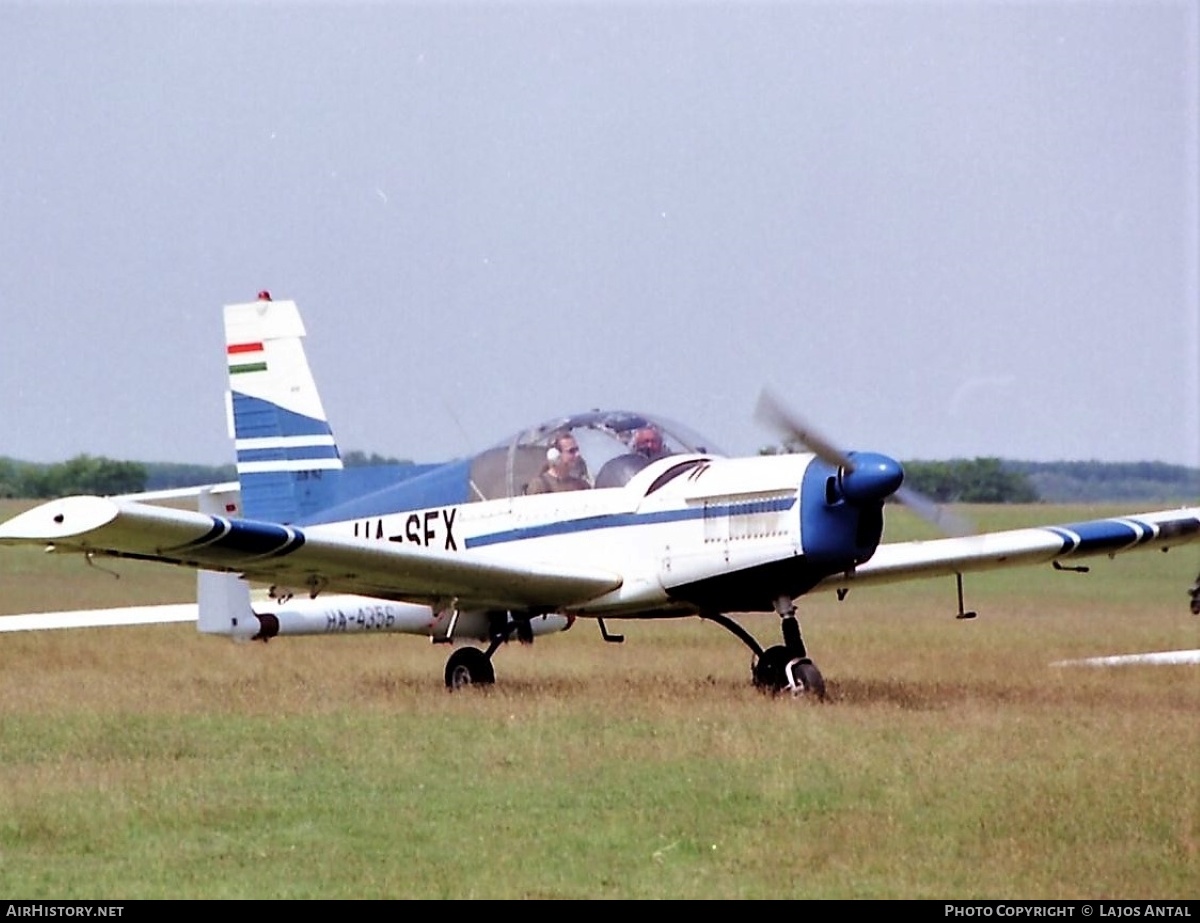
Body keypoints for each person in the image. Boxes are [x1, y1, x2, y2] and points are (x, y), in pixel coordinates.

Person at [524, 432, 591, 494]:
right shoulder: (539, 486)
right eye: (571, 451)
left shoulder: (582, 485)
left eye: (577, 450)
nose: (577, 454)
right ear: (555, 455)